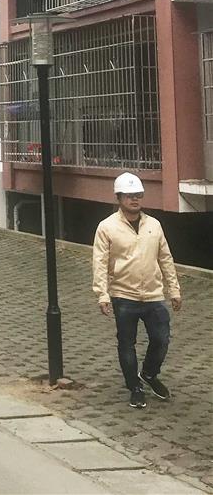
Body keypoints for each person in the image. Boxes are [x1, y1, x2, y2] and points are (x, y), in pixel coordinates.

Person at [92, 172, 182, 409]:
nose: (135, 199)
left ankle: (149, 374)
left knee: (161, 339)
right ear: (119, 198)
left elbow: (165, 258)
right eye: (129, 195)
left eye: (138, 195)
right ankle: (135, 387)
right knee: (126, 343)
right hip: (124, 295)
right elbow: (100, 262)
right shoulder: (107, 227)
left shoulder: (154, 225)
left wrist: (174, 290)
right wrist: (102, 294)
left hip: (154, 294)